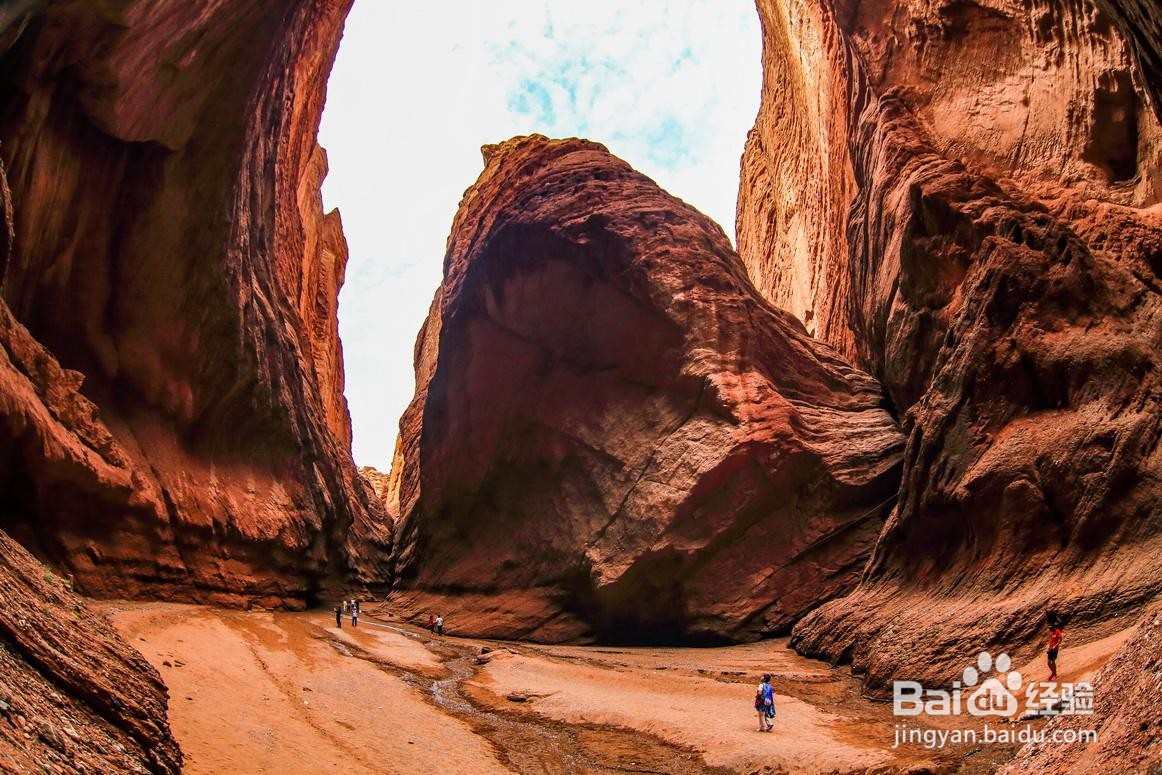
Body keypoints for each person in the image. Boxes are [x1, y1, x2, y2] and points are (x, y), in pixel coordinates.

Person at [1047, 614, 1064, 681]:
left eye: (1051, 628)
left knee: (1053, 661)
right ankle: (1053, 673)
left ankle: (1055, 674)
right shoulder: (1052, 633)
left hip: (1055, 649)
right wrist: (1049, 647)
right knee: (1048, 663)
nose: (1050, 629)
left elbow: (1060, 640)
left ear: (1053, 627)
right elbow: (1051, 640)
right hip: (1051, 649)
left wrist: (1055, 646)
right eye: (1049, 628)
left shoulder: (1057, 631)